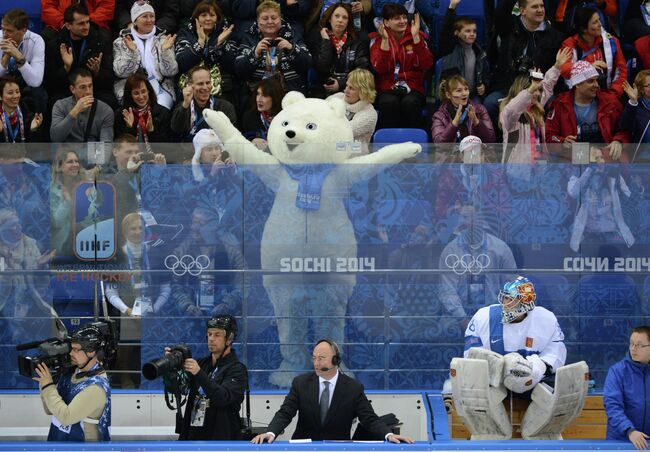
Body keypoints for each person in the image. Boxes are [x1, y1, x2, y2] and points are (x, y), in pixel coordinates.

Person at [251, 339, 414, 443]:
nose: (316, 363)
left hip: (337, 448)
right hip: (305, 448)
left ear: (335, 360)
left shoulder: (353, 388)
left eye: (321, 358)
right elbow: (285, 413)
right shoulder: (301, 383)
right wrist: (271, 433)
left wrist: (388, 435)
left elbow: (369, 419)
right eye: (314, 358)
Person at [105, 212, 170, 388]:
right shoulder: (116, 257)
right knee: (125, 349)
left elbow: (166, 288)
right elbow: (110, 293)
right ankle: (126, 378)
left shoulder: (155, 255)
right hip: (126, 312)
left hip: (152, 311)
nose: (137, 231)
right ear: (125, 232)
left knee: (151, 348)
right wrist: (127, 311)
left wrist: (154, 308)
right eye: (133, 228)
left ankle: (153, 381)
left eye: (141, 227)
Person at [463, 276, 566, 386]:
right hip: (492, 383)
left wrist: (538, 367)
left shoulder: (546, 319)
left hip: (532, 383)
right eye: (505, 298)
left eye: (512, 299)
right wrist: (499, 369)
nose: (505, 303)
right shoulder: (483, 317)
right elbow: (471, 355)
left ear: (526, 302)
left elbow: (556, 350)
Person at [485, 0, 564, 125]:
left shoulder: (554, 36)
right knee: (490, 103)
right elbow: (501, 13)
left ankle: (542, 140)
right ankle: (500, 143)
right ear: (522, 11)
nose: (540, 10)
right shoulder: (509, 27)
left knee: (555, 103)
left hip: (538, 90)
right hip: (508, 87)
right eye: (534, 7)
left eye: (542, 6)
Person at [34, 324, 111, 441]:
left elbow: (66, 417)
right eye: (71, 349)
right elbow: (50, 409)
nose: (70, 353)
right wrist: (44, 383)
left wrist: (48, 386)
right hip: (59, 444)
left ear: (91, 351)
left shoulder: (96, 387)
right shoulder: (71, 374)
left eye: (75, 349)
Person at [177, 315, 249, 440]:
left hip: (222, 438)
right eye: (209, 334)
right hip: (193, 434)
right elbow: (179, 389)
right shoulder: (201, 364)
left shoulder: (237, 370)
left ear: (229, 339)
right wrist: (174, 368)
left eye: (217, 335)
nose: (211, 339)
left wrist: (199, 374)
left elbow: (222, 397)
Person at [546, 60, 630, 162]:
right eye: (590, 81)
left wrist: (618, 141)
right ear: (577, 84)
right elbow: (549, 136)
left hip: (604, 162)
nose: (596, 85)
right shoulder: (559, 104)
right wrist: (562, 142)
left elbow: (625, 129)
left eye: (596, 80)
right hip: (573, 165)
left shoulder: (610, 102)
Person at [500, 48, 570, 164]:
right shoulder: (509, 113)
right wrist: (531, 89)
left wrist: (557, 67)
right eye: (534, 91)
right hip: (518, 172)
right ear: (522, 90)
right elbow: (513, 108)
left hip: (539, 169)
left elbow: (547, 85)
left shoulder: (535, 106)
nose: (538, 94)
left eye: (538, 90)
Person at [370, 4, 433, 129]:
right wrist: (385, 42)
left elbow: (427, 64)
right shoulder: (377, 39)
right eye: (397, 18)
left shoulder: (417, 36)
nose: (402, 21)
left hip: (413, 86)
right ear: (386, 22)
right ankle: (386, 142)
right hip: (387, 86)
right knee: (389, 103)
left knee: (410, 103)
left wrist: (416, 39)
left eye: (404, 17)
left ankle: (415, 142)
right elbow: (380, 69)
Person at [44, 3, 115, 108]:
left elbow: (109, 80)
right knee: (55, 101)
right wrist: (66, 68)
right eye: (81, 24)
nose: (86, 27)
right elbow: (51, 82)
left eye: (87, 22)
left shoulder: (100, 41)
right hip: (67, 90)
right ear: (68, 25)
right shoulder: (56, 44)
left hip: (94, 88)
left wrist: (97, 72)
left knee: (109, 101)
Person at [235, 1, 312, 95]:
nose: (270, 21)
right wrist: (254, 53)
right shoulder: (249, 37)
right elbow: (239, 71)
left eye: (274, 18)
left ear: (280, 18)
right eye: (265, 18)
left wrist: (292, 49)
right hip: (257, 94)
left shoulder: (292, 35)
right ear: (258, 20)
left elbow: (307, 64)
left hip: (290, 93)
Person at [112, 1, 178, 109]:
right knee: (138, 108)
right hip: (132, 90)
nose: (149, 20)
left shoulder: (163, 39)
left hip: (160, 87)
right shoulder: (122, 41)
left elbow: (171, 71)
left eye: (152, 16)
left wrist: (165, 52)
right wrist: (132, 54)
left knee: (160, 109)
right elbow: (121, 73)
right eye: (144, 16)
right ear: (135, 21)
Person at [175, 0, 238, 108]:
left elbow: (232, 65)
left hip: (221, 86)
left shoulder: (226, 33)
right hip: (192, 83)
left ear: (217, 18)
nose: (208, 19)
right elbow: (182, 63)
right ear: (196, 18)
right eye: (203, 15)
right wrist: (200, 43)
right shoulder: (185, 33)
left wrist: (219, 44)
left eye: (212, 15)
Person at [559, 7, 627, 97]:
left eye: (599, 20)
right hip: (579, 97)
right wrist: (589, 66)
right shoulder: (569, 44)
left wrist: (613, 94)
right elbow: (564, 69)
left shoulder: (612, 42)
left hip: (608, 95)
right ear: (584, 29)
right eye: (595, 22)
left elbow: (622, 71)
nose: (600, 24)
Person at [604, 325, 650, 450]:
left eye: (639, 345)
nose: (633, 349)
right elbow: (613, 406)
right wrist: (630, 431)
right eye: (631, 343)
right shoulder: (617, 372)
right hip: (622, 441)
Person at [311, 3, 369, 99]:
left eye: (345, 17)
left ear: (348, 21)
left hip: (351, 89)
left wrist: (341, 84)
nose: (340, 20)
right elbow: (321, 69)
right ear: (330, 19)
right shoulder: (318, 39)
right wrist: (326, 42)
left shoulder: (358, 41)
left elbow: (362, 71)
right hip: (324, 89)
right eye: (337, 16)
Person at [170, 65, 237, 142]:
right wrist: (185, 105)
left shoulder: (225, 107)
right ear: (190, 85)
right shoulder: (184, 107)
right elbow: (176, 129)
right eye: (200, 84)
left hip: (216, 151)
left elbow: (231, 136)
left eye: (208, 83)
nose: (205, 87)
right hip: (190, 151)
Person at [0, 9, 47, 114]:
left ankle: (34, 128)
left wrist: (18, 56)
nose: (5, 35)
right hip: (2, 80)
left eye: (9, 31)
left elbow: (35, 82)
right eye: (3, 29)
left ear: (24, 30)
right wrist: (6, 57)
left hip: (24, 81)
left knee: (39, 94)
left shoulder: (36, 41)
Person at [431, 74, 494, 152]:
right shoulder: (440, 116)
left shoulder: (480, 110)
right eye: (459, 90)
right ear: (448, 95)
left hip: (476, 158)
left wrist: (476, 122)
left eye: (466, 89)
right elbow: (439, 145)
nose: (464, 93)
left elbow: (490, 140)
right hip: (450, 161)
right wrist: (454, 124)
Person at [439, 0, 488, 99]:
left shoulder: (479, 52)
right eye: (467, 31)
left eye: (474, 31)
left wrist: (484, 85)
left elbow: (485, 75)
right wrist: (452, 7)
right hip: (454, 98)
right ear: (456, 33)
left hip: (472, 96)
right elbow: (446, 31)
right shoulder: (450, 49)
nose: (472, 34)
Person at [50, 68, 114, 143]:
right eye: (83, 87)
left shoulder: (105, 110)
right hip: (67, 151)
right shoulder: (60, 106)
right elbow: (55, 138)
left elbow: (106, 144)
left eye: (90, 86)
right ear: (72, 89)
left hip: (92, 151)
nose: (88, 92)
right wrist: (75, 111)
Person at [50, 147, 88, 258]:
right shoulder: (52, 190)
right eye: (70, 162)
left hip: (85, 243)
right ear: (60, 167)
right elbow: (57, 222)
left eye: (77, 161)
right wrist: (67, 201)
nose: (75, 164)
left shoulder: (86, 187)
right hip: (61, 248)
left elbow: (94, 219)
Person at [327, 68, 377, 150]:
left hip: (355, 156)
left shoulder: (369, 114)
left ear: (363, 91)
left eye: (352, 88)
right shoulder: (338, 97)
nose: (346, 90)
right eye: (347, 85)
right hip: (331, 150)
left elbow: (342, 131)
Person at [114, 72, 171, 144]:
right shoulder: (121, 115)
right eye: (136, 93)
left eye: (143, 92)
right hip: (131, 155)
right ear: (130, 95)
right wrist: (129, 128)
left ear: (148, 91)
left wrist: (151, 131)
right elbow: (120, 147)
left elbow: (166, 146)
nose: (141, 97)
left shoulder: (162, 113)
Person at [241, 75, 285, 148]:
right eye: (258, 94)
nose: (259, 99)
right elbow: (243, 139)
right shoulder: (250, 116)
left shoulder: (286, 116)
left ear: (275, 98)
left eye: (265, 95)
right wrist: (252, 140)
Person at [0, 76, 43, 143]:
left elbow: (35, 147)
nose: (15, 96)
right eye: (10, 93)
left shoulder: (28, 115)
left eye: (17, 92)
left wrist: (33, 130)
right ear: (0, 96)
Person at [621, 71, 650, 162]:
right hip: (642, 160)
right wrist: (633, 101)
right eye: (649, 85)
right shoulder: (636, 108)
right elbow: (624, 126)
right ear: (641, 89)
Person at [115, 0, 182, 35]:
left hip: (160, 31)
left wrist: (154, 29)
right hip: (130, 28)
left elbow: (171, 13)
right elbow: (119, 8)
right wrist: (129, 24)